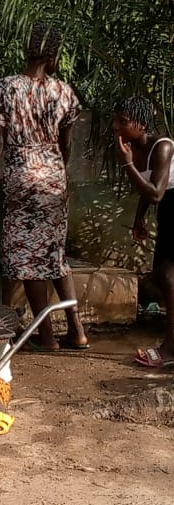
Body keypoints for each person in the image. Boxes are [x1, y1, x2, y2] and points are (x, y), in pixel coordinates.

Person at [0, 22, 90, 375]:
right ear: (52, 56)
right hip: (54, 173)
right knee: (54, 251)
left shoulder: (7, 88)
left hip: (22, 173)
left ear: (27, 50)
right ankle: (78, 331)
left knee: (29, 253)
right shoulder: (65, 92)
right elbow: (66, 144)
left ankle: (46, 336)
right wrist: (54, 168)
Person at [113, 97, 174, 368]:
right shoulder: (136, 148)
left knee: (165, 274)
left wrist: (127, 165)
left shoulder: (162, 147)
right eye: (116, 121)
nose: (117, 127)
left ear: (141, 123)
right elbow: (146, 188)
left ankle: (171, 348)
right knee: (164, 276)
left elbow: (156, 192)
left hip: (170, 203)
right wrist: (139, 219)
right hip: (169, 209)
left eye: (123, 122)